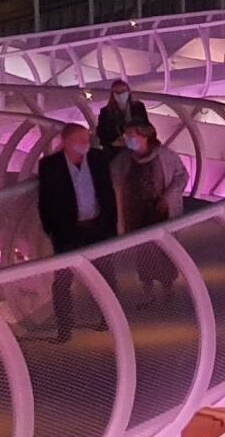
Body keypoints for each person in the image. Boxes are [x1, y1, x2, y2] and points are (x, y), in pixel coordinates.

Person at [37, 123, 118, 344]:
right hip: (68, 232)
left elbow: (107, 194)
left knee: (105, 275)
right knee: (63, 281)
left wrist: (110, 227)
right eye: (80, 140)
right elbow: (45, 202)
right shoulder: (50, 166)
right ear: (65, 142)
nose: (85, 144)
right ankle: (64, 327)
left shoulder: (98, 159)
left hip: (97, 228)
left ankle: (109, 319)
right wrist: (53, 230)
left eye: (87, 139)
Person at [111, 116, 190, 305]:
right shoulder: (123, 160)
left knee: (164, 250)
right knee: (143, 252)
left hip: (160, 212)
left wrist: (167, 197)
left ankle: (168, 288)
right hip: (136, 212)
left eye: (132, 135)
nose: (128, 139)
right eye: (126, 135)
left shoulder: (165, 155)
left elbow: (181, 176)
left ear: (145, 136)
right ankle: (149, 293)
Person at [94, 79, 144, 151]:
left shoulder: (139, 107)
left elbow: (146, 126)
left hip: (138, 146)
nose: (121, 95)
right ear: (113, 94)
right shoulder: (105, 112)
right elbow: (101, 134)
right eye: (117, 92)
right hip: (117, 150)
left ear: (128, 92)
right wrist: (113, 143)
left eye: (123, 92)